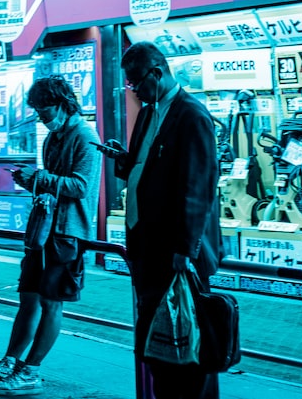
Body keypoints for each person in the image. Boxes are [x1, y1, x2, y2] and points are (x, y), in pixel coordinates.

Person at [98, 42, 224, 399]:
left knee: (188, 341)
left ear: (156, 72)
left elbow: (198, 186)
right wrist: (122, 160)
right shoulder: (150, 113)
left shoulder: (191, 115)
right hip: (148, 248)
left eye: (136, 82)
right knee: (157, 340)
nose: (133, 89)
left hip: (176, 253)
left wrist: (186, 248)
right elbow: (144, 169)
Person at [0, 76, 102, 396]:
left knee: (51, 302)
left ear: (62, 104)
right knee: (28, 296)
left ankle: (30, 370)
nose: (42, 118)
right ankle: (11, 360)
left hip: (67, 232)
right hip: (43, 229)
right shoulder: (53, 137)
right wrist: (28, 181)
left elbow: (81, 187)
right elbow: (51, 183)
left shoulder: (85, 136)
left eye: (44, 111)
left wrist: (41, 178)